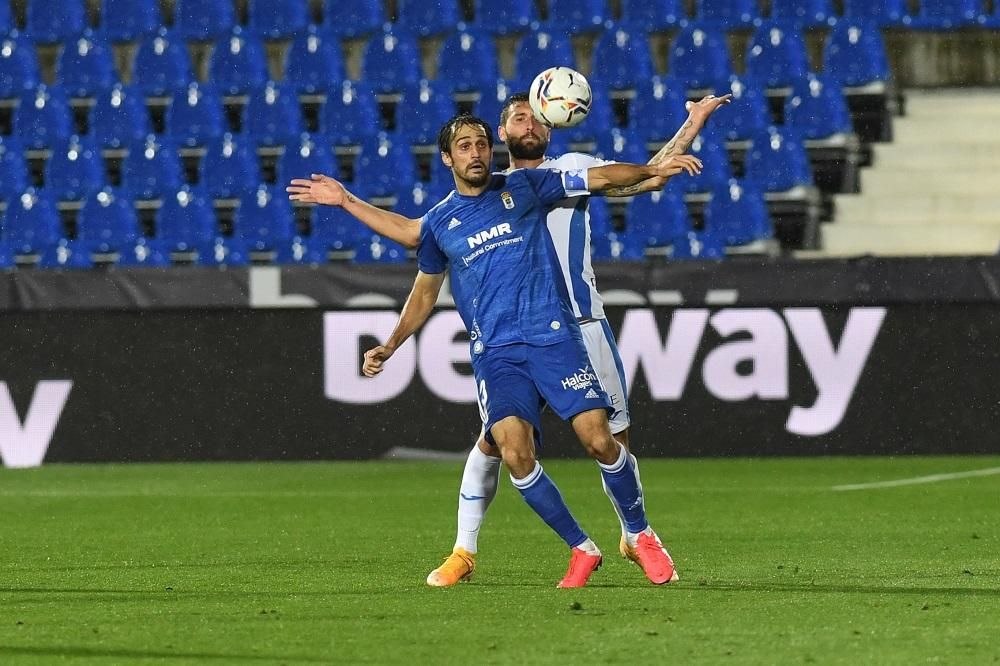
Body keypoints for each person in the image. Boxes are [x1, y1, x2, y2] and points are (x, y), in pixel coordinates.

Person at [287, 93, 730, 587]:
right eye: (466, 145)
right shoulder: (441, 221)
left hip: (561, 330)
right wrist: (389, 337)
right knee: (503, 448)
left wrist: (664, 163)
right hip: (498, 351)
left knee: (603, 441)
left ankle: (638, 534)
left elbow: (618, 178)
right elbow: (421, 270)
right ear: (451, 157)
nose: (475, 153)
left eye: (480, 145)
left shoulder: (534, 183)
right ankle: (542, 549)